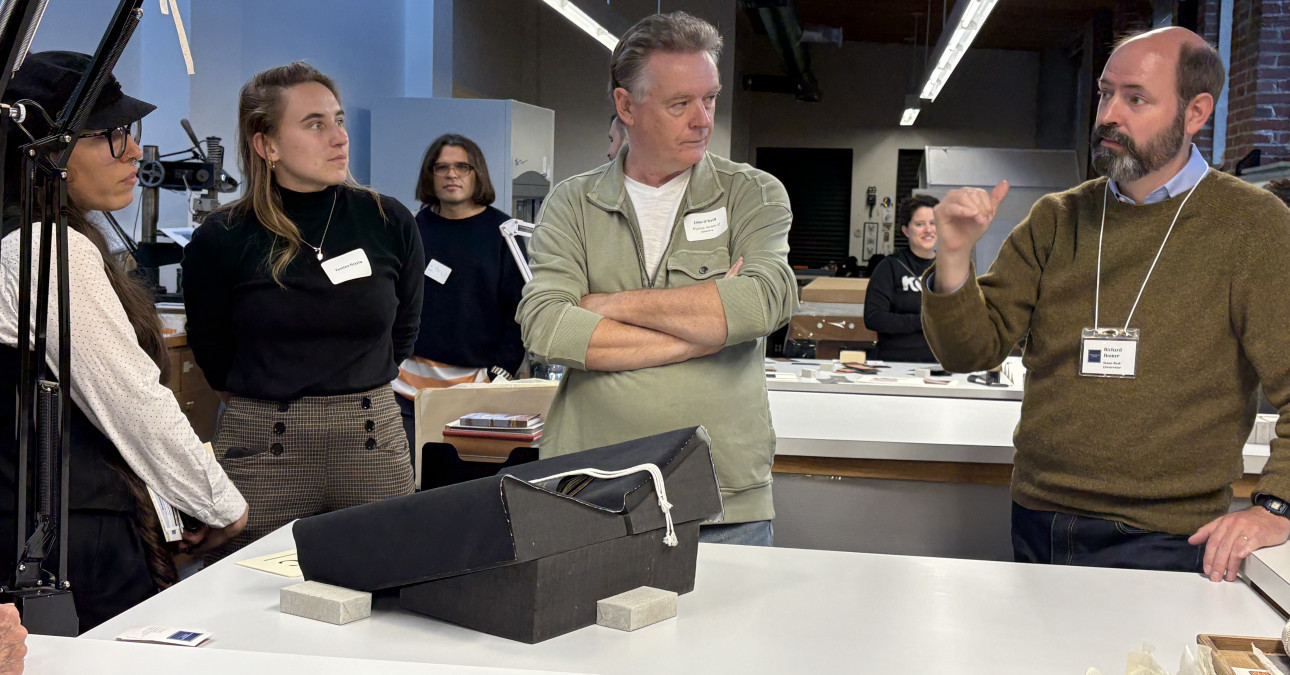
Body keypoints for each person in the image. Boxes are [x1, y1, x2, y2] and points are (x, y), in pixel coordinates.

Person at [922, 27, 1290, 580]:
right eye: (1104, 93)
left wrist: (1276, 507)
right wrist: (953, 257)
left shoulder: (1252, 226)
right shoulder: (1058, 217)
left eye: (1135, 98)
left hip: (1165, 538)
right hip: (1038, 516)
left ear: (1195, 113)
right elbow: (969, 351)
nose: (1108, 114)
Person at [518, 12, 796, 546]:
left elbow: (761, 303)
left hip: (723, 498)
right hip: (591, 490)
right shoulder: (573, 203)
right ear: (626, 105)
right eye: (679, 104)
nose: (702, 120)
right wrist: (703, 331)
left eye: (709, 99)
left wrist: (605, 305)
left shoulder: (752, 194)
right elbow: (548, 328)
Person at [0, 52, 247, 631]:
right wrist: (219, 504)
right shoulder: (44, 246)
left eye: (127, 132)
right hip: (67, 538)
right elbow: (130, 399)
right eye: (108, 135)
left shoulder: (27, 235)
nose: (133, 150)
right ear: (45, 149)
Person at [182, 62, 422, 559]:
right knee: (246, 604)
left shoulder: (387, 219)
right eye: (315, 124)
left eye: (338, 120)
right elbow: (213, 354)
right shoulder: (222, 237)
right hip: (262, 452)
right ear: (266, 144)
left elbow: (403, 333)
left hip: (371, 443)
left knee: (389, 597)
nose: (338, 137)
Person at [393, 134, 525, 452]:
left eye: (462, 167)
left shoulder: (503, 233)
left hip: (474, 390)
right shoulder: (411, 228)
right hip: (404, 390)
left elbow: (520, 309)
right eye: (442, 167)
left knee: (459, 489)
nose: (452, 174)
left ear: (477, 172)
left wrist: (500, 374)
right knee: (404, 490)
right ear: (430, 175)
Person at [864, 195, 939, 362]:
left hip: (942, 365)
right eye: (920, 224)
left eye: (933, 223)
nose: (928, 230)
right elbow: (874, 318)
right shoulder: (890, 267)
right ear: (906, 230)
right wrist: (923, 321)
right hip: (896, 364)